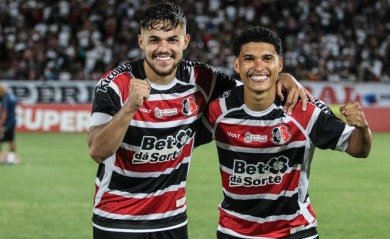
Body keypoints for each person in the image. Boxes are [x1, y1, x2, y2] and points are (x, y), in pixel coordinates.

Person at [87, 3, 313, 239]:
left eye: (172, 40)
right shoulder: (115, 84)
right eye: (154, 40)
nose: (163, 48)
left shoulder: (202, 79)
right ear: (141, 42)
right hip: (116, 220)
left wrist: (284, 77)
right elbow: (97, 150)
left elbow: (254, 89)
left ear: (185, 41)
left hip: (172, 220)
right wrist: (130, 107)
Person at [207, 26, 372, 239]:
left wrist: (362, 127)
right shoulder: (218, 110)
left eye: (267, 58)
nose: (258, 66)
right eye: (249, 58)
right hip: (235, 232)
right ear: (237, 64)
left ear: (280, 64)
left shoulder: (304, 109)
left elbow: (359, 149)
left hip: (295, 232)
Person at [0, 83, 19, 165]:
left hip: (8, 122)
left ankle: (10, 159)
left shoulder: (6, 98)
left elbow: (5, 112)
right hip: (12, 121)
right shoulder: (12, 97)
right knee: (11, 140)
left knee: (3, 139)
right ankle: (11, 158)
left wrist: (1, 124)